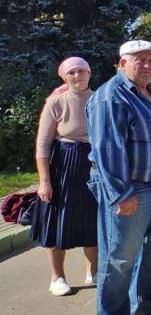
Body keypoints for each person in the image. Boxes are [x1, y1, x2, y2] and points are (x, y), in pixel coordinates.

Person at [87, 40, 151, 315]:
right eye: (139, 60)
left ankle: (144, 303)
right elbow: (108, 150)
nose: (147, 65)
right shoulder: (111, 96)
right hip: (129, 189)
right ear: (122, 63)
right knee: (119, 257)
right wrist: (121, 194)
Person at [32, 57, 98, 296]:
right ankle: (57, 277)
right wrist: (44, 181)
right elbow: (42, 146)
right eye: (71, 72)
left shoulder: (101, 100)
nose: (77, 75)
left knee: (93, 221)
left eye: (82, 70)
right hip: (64, 164)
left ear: (89, 73)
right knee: (57, 222)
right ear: (64, 76)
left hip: (95, 163)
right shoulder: (56, 102)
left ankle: (94, 270)